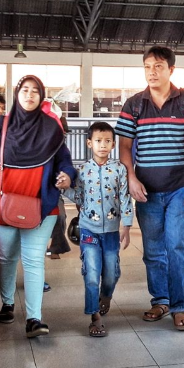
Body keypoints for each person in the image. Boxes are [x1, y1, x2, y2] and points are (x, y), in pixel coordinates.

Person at [0, 75, 76, 338]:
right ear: (16, 94)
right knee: (7, 256)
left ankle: (34, 318)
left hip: (42, 206)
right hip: (1, 204)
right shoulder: (0, 128)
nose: (29, 95)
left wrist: (67, 175)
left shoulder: (52, 129)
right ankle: (7, 303)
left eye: (35, 91)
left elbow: (65, 160)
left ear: (41, 96)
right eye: (25, 90)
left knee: (33, 260)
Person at [116, 45, 184, 331]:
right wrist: (131, 178)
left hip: (181, 188)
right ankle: (160, 300)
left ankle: (179, 306)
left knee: (178, 245)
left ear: (170, 70)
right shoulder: (134, 104)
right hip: (147, 191)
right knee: (153, 250)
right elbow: (125, 147)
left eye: (157, 66)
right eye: (147, 67)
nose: (152, 72)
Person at [65, 122, 133, 337]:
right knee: (92, 274)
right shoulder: (82, 171)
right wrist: (63, 187)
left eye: (107, 141)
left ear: (113, 144)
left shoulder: (119, 169)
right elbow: (78, 197)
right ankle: (95, 317)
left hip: (112, 231)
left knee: (111, 273)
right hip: (88, 230)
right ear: (89, 143)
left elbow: (125, 197)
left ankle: (106, 296)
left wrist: (127, 225)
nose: (102, 145)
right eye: (98, 141)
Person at [47, 117, 73, 260]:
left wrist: (66, 175)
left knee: (60, 216)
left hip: (53, 190)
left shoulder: (62, 149)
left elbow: (67, 166)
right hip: (34, 192)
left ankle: (55, 247)